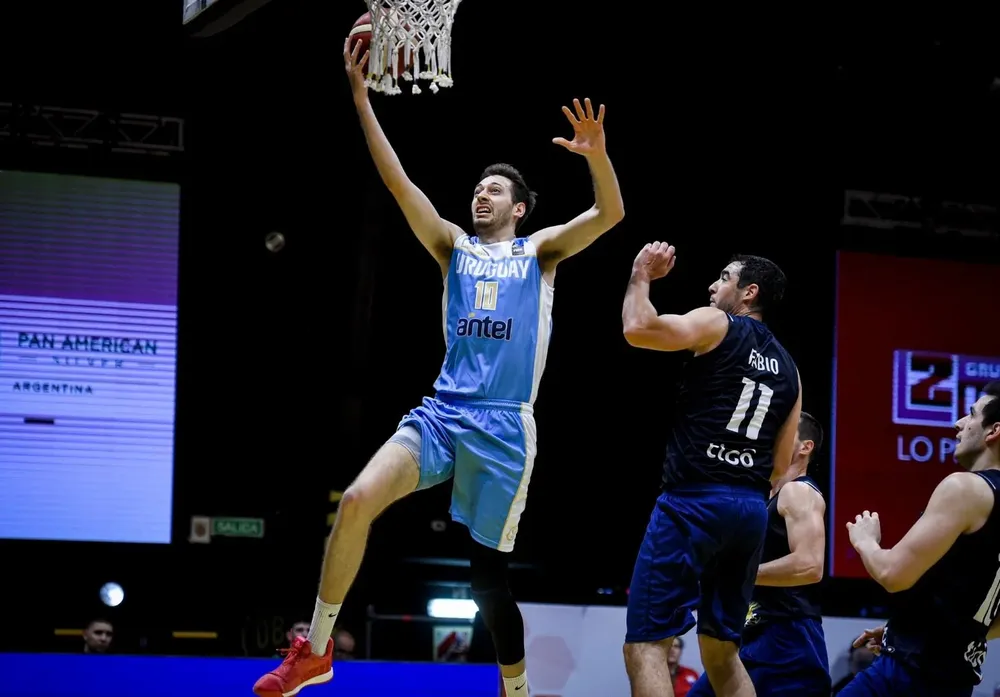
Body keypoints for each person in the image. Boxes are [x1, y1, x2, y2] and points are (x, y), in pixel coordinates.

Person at [251, 37, 625, 697]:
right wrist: (362, 97)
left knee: (486, 580)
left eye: (495, 189)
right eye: (478, 186)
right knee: (358, 500)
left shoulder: (538, 253)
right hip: (443, 413)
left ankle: (517, 689)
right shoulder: (451, 245)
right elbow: (397, 180)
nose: (481, 194)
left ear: (519, 208)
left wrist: (597, 158)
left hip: (505, 428)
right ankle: (314, 648)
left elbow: (611, 213)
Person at [620, 244, 802, 697]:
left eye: (723, 277)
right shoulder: (791, 370)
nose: (712, 285)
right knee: (722, 651)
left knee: (646, 644)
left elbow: (639, 328)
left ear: (748, 292)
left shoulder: (719, 323)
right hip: (750, 512)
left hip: (693, 501)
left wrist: (640, 276)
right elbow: (782, 466)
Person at [839, 381, 1000, 697]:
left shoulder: (965, 489)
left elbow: (892, 575)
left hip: (904, 676)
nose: (959, 424)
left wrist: (866, 541)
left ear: (993, 431)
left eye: (971, 415)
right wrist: (909, 628)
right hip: (954, 684)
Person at [687, 411, 830, 696]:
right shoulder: (765, 498)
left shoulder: (798, 493)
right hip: (751, 636)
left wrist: (737, 577)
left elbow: (810, 565)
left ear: (805, 447)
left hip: (788, 638)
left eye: (782, 432)